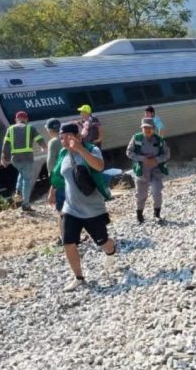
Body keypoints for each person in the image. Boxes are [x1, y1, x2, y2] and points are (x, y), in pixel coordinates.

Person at [50, 122, 116, 292]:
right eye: (61, 137)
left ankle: (111, 252)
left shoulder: (91, 149)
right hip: (70, 208)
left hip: (93, 209)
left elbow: (99, 166)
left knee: (103, 242)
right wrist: (52, 191)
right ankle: (79, 278)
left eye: (67, 137)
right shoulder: (63, 153)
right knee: (68, 242)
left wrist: (80, 149)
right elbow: (59, 174)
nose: (63, 140)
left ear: (77, 136)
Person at [126, 117, 171, 224]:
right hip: (142, 170)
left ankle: (157, 214)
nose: (147, 130)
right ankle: (139, 214)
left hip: (156, 170)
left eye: (149, 128)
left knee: (156, 192)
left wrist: (157, 160)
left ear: (154, 128)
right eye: (145, 128)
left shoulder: (159, 140)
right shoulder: (136, 138)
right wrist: (143, 159)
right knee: (141, 194)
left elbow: (167, 154)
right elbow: (129, 152)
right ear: (142, 128)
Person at [1, 111, 46, 212]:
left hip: (15, 160)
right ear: (26, 119)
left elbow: (6, 144)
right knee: (27, 181)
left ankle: (18, 191)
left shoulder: (10, 129)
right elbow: (39, 139)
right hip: (27, 158)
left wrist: (4, 158)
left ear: (16, 120)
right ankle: (25, 204)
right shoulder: (31, 128)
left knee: (21, 173)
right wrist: (44, 147)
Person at [44, 118, 64, 244]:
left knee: (61, 210)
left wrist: (52, 186)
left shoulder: (53, 142)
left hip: (60, 180)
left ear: (49, 130)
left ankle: (64, 237)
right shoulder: (66, 139)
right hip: (72, 178)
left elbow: (51, 165)